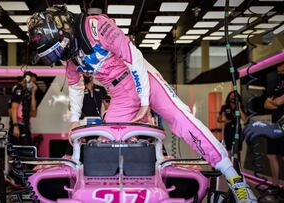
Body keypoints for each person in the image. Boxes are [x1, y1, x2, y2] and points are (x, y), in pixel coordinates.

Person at [27, 6, 257, 202]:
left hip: (142, 77)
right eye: (51, 54)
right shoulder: (71, 57)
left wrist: (145, 100)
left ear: (63, 29)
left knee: (181, 120)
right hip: (119, 95)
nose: (58, 55)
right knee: (105, 144)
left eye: (56, 49)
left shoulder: (95, 26)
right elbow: (76, 87)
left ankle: (234, 177)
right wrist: (75, 120)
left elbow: (133, 57)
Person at [263, 63, 284, 194]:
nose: (279, 68)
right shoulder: (277, 85)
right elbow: (266, 104)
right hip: (274, 125)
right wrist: (273, 103)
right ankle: (275, 185)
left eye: (281, 65)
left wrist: (273, 102)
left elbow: (278, 102)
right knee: (271, 155)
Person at [217, 91, 247, 159]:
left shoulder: (240, 106)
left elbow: (245, 119)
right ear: (229, 97)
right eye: (232, 96)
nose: (233, 97)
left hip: (237, 129)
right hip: (228, 129)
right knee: (228, 149)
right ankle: (230, 166)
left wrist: (239, 108)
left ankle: (237, 166)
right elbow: (218, 119)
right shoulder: (224, 107)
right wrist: (225, 120)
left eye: (234, 96)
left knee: (237, 150)